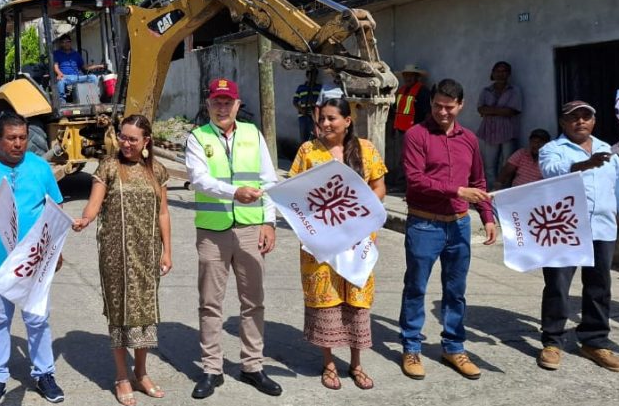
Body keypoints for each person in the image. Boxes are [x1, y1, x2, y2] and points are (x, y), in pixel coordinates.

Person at [185, 78, 282, 399]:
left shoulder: (253, 135)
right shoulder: (197, 138)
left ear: (238, 105)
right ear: (208, 104)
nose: (222, 107)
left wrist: (269, 222)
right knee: (210, 303)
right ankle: (212, 368)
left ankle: (252, 365)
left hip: (251, 228)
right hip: (213, 231)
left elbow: (269, 180)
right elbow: (199, 179)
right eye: (216, 101)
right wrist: (233, 192)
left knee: (253, 301)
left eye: (228, 102)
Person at [0, 113, 66, 406]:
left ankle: (44, 373)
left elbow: (55, 208)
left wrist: (56, 250)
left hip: (34, 263)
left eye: (22, 137)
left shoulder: (40, 168)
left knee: (37, 321)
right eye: (12, 138)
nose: (19, 144)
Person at [398, 78, 497, 381]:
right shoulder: (416, 135)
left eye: (449, 107)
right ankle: (411, 347)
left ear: (460, 105)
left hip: (459, 226)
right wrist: (457, 191)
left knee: (456, 292)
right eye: (438, 105)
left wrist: (488, 217)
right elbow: (414, 179)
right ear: (431, 104)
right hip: (424, 223)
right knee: (416, 287)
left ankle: (453, 347)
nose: (443, 112)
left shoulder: (469, 139)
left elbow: (479, 182)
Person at [72, 115, 173, 405]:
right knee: (120, 315)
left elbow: (163, 213)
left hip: (148, 253)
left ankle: (141, 373)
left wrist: (168, 251)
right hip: (115, 255)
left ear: (146, 142)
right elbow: (94, 204)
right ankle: (121, 376)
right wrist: (85, 220)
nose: (126, 143)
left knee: (144, 313)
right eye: (123, 137)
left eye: (132, 139)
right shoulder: (108, 167)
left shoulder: (158, 170)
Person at [537, 101, 619, 373]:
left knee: (599, 286)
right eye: (574, 118)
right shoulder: (552, 149)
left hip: (602, 228)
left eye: (586, 116)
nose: (580, 122)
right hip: (565, 226)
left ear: (594, 122)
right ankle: (552, 341)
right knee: (558, 285)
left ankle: (594, 341)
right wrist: (584, 164)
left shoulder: (608, 151)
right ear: (563, 123)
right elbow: (550, 172)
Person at [290, 97, 387, 391]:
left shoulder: (367, 150)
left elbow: (378, 185)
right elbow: (293, 189)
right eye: (322, 118)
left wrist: (363, 211)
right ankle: (328, 363)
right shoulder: (308, 151)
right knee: (327, 301)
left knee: (356, 301)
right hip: (321, 245)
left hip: (358, 242)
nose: (326, 123)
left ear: (348, 121)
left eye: (332, 118)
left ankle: (356, 364)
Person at [476, 61, 522, 188]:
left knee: (507, 164)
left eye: (504, 71)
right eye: (498, 71)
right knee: (489, 166)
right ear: (493, 73)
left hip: (508, 131)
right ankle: (492, 193)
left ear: (509, 74)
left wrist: (489, 110)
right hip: (489, 131)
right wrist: (501, 111)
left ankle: (505, 191)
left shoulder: (514, 90)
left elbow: (512, 111)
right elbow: (480, 109)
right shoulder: (486, 91)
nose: (501, 74)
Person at [52, 35, 103, 103]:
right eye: (63, 42)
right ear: (61, 44)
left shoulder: (76, 54)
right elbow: (56, 67)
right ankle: (62, 101)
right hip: (65, 77)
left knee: (93, 77)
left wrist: (99, 66)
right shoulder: (57, 53)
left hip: (77, 77)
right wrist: (59, 74)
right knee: (60, 81)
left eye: (68, 42)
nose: (66, 44)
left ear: (70, 42)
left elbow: (85, 67)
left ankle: (96, 96)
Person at [292, 70, 323, 145]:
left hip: (315, 116)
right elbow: (294, 102)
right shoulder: (301, 88)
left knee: (315, 136)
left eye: (315, 76)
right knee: (304, 137)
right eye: (311, 76)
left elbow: (322, 101)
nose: (313, 78)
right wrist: (302, 110)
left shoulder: (319, 87)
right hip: (303, 116)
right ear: (307, 76)